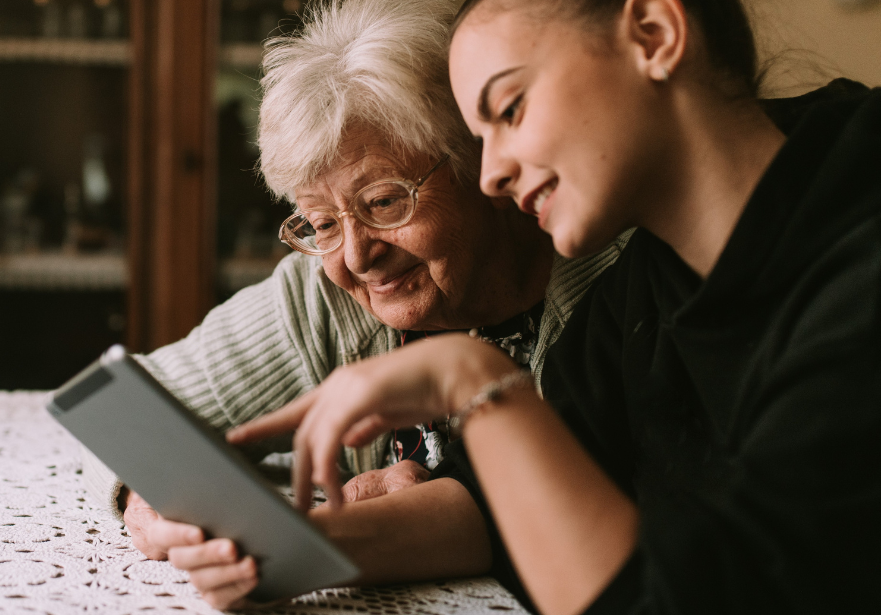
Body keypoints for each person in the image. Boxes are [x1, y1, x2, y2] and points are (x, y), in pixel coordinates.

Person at [233, 0, 881, 613]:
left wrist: (472, 378)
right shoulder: (646, 286)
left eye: (508, 108)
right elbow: (496, 508)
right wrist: (271, 547)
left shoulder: (855, 282)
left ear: (654, 33)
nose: (489, 175)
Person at [74, 0, 628, 609]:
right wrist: (150, 500)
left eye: (385, 203)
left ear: (480, 163)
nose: (357, 257)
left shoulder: (619, 291)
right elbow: (132, 408)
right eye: (320, 223)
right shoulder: (320, 298)